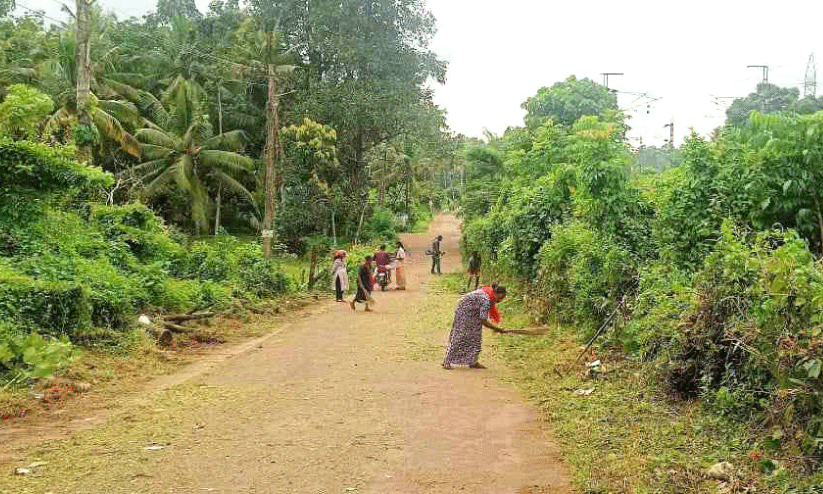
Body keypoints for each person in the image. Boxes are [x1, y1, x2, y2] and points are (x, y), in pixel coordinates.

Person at [442, 283, 507, 370]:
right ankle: (447, 360)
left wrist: (496, 328)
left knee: (476, 337)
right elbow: (483, 320)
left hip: (473, 312)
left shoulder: (488, 293)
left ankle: (472, 361)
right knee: (460, 336)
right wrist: (496, 328)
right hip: (464, 312)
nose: (501, 300)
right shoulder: (486, 300)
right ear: (497, 294)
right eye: (501, 297)